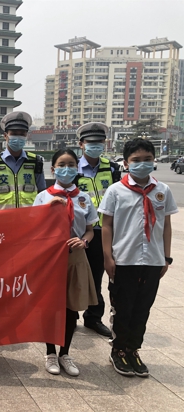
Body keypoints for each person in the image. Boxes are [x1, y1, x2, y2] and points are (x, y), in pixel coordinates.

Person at [99, 138, 177, 377]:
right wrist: (108, 257)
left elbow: (166, 225)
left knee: (143, 308)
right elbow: (107, 225)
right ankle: (118, 351)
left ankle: (133, 349)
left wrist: (166, 257)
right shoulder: (116, 190)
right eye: (136, 160)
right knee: (122, 307)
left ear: (153, 161)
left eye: (147, 160)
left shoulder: (162, 191)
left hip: (152, 261)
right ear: (126, 163)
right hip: (124, 259)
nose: (142, 164)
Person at [33, 148, 98, 377]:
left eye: (71, 164)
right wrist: (48, 211)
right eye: (62, 164)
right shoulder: (43, 196)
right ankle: (50, 352)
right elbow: (33, 228)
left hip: (75, 258)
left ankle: (65, 353)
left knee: (71, 307)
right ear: (53, 168)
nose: (67, 168)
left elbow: (90, 230)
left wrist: (84, 242)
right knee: (51, 306)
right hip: (50, 259)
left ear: (77, 168)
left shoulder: (84, 197)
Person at [75, 122, 121, 337]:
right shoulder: (72, 167)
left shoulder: (111, 168)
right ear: (81, 144)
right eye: (90, 142)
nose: (95, 146)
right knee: (74, 272)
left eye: (99, 142)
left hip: (105, 229)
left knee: (97, 274)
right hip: (80, 229)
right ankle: (71, 314)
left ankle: (93, 317)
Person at [0, 111, 46, 209]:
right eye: (14, 133)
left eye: (22, 134)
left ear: (26, 136)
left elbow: (42, 193)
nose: (18, 137)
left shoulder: (36, 162)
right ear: (5, 136)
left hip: (29, 220)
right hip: (1, 220)